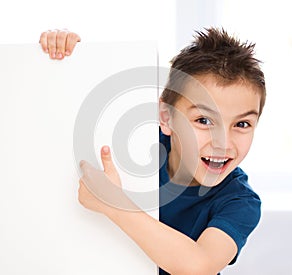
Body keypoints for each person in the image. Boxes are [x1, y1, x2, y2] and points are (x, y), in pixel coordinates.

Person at [40, 28, 266, 275]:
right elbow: (61, 120)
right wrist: (67, 54)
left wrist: (114, 203)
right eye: (203, 120)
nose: (223, 143)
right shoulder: (138, 146)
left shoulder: (240, 202)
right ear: (166, 117)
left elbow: (199, 266)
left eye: (242, 124)